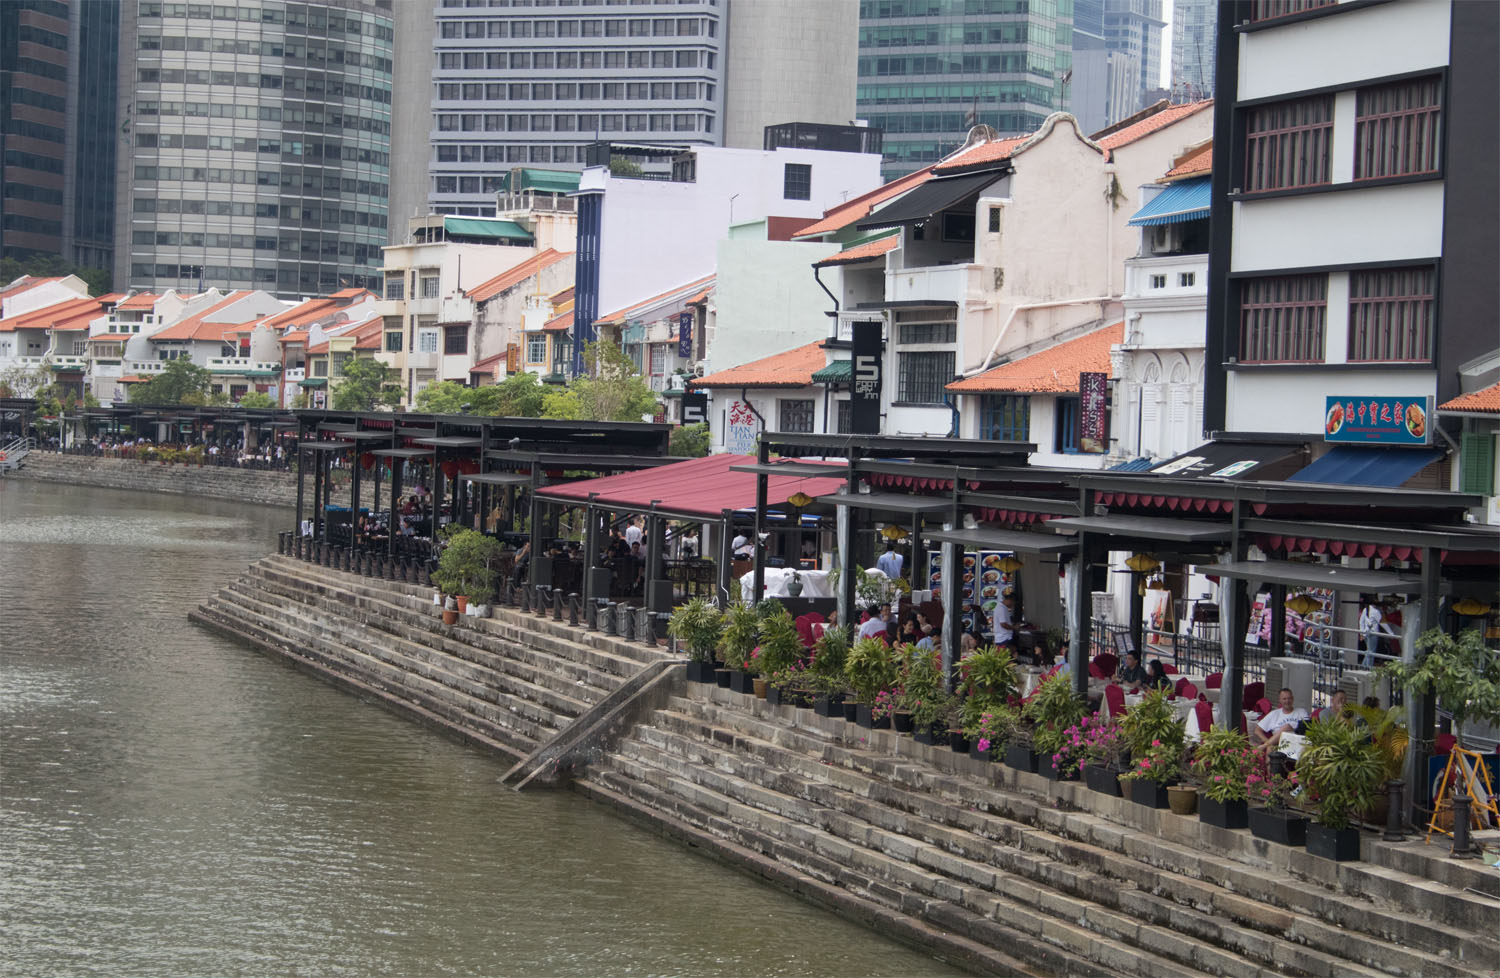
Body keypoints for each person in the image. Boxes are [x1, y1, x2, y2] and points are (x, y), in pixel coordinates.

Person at [1252, 687, 1310, 753]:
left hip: (1297, 742)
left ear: (1293, 699)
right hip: (1279, 743)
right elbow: (1257, 730)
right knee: (1270, 747)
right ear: (1280, 700)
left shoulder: (1301, 712)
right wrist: (1268, 742)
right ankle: (1268, 757)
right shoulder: (1274, 714)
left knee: (1287, 727)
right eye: (1284, 699)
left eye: (1289, 698)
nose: (1287, 701)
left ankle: (1264, 746)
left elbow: (1307, 728)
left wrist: (1293, 729)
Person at [1358, 596, 1393, 668]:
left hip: (1365, 633)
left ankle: (1363, 667)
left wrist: (1362, 633)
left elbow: (1361, 622)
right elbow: (1383, 623)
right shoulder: (1376, 612)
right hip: (1373, 634)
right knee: (1371, 652)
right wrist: (1391, 633)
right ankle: (1367, 668)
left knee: (1368, 652)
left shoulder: (1366, 610)